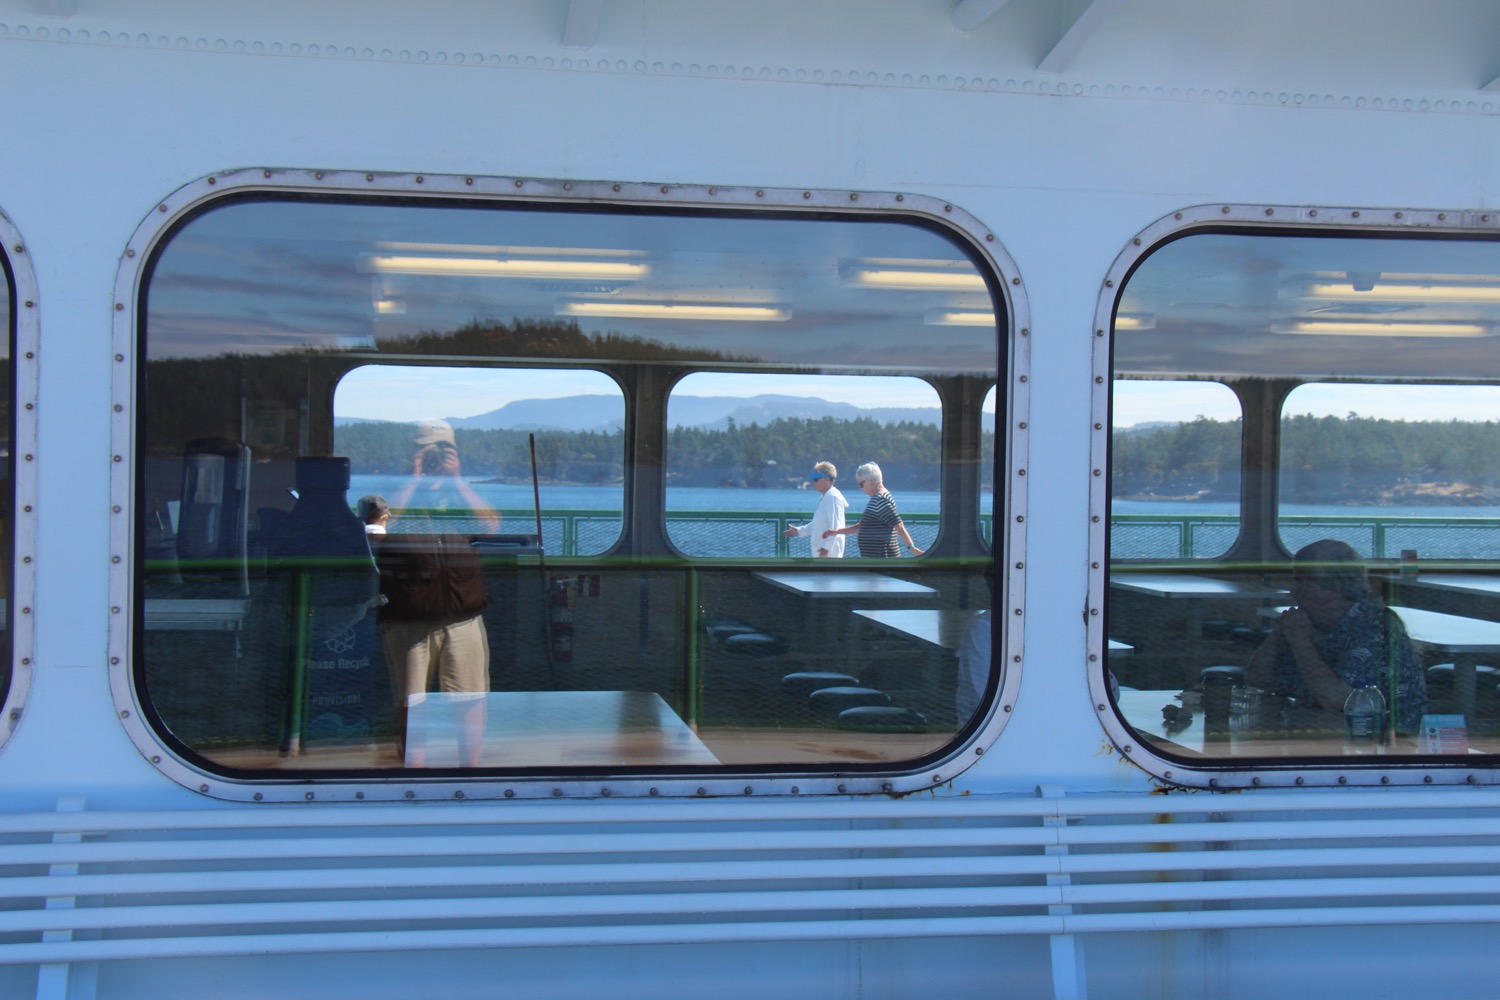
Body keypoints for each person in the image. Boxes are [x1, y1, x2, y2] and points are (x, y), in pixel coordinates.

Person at [373, 419, 501, 767]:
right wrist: (413, 481)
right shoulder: (390, 492)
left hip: (462, 615)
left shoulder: (462, 494)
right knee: (411, 704)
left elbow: (490, 526)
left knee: (470, 699)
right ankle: (412, 776)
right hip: (408, 618)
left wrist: (458, 482)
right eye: (427, 451)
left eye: (444, 451)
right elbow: (377, 531)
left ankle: (470, 773)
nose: (435, 458)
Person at [1246, 538, 1426, 733]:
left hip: (1378, 739)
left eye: (1303, 582)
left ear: (1336, 586)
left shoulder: (1374, 628)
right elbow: (1256, 679)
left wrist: (1300, 642)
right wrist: (1280, 634)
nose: (1293, 592)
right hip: (1312, 727)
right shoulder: (1310, 622)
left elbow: (1337, 700)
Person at [823, 462, 924, 558]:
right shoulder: (879, 498)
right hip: (875, 559)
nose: (861, 488)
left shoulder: (880, 500)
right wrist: (837, 531)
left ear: (871, 481)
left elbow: (898, 525)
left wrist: (912, 548)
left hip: (883, 559)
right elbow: (863, 526)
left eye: (861, 484)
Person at [782, 461, 848, 558]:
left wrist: (826, 548)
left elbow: (835, 526)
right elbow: (818, 524)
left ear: (826, 479)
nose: (813, 482)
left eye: (816, 479)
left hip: (829, 555)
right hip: (822, 553)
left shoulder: (833, 497)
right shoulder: (827, 497)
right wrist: (799, 531)